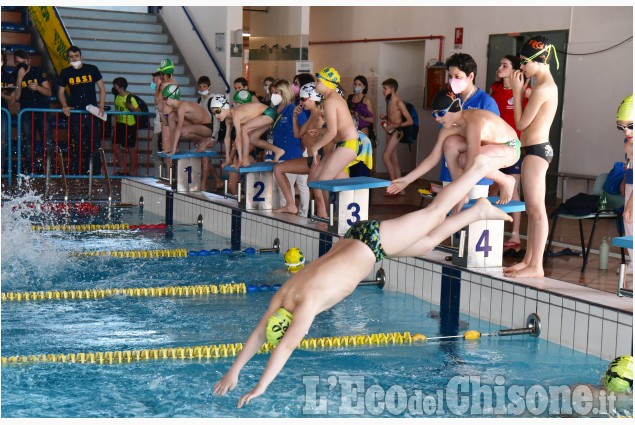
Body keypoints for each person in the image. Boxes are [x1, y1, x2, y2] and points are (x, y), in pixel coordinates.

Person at [213, 152, 513, 407]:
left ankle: (478, 168)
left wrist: (261, 386)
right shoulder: (283, 296)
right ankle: (478, 212)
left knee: (435, 213)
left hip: (373, 243)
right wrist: (234, 371)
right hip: (357, 236)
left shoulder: (306, 305)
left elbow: (284, 348)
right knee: (425, 244)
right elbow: (259, 334)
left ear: (289, 323)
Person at [387, 89, 519, 213]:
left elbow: (473, 161)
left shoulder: (473, 121)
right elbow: (433, 157)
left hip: (509, 148)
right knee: (450, 144)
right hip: (487, 152)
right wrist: (407, 180)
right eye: (435, 114)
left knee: (470, 159)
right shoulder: (447, 129)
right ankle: (460, 192)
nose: (437, 119)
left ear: (455, 108)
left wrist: (457, 192)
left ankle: (506, 180)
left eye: (441, 114)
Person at [504, 36, 559, 279]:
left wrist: (517, 93)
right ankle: (528, 261)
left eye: (525, 62)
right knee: (532, 209)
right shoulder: (541, 87)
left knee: (537, 210)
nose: (522, 67)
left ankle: (536, 266)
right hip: (534, 150)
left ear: (539, 60)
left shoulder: (544, 88)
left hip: (537, 150)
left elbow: (521, 123)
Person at [308, 67, 372, 218]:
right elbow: (336, 127)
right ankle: (349, 209)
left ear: (327, 83)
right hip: (346, 144)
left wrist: (316, 146)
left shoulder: (331, 101)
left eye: (318, 81)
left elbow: (332, 132)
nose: (316, 84)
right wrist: (319, 132)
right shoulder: (335, 98)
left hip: (349, 144)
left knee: (323, 180)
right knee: (329, 178)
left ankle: (331, 217)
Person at [440, 53, 500, 199]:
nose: (452, 81)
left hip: (476, 176)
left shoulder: (485, 102)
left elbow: (493, 141)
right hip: (449, 170)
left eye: (457, 77)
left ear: (471, 76)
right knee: (449, 216)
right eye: (450, 76)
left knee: (472, 217)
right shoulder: (449, 100)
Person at [489, 55, 527, 252]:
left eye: (504, 65)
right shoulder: (494, 89)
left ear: (514, 70)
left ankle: (515, 235)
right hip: (494, 145)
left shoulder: (523, 91)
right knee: (492, 188)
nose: (499, 67)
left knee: (512, 189)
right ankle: (491, 230)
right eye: (500, 63)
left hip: (514, 146)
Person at [273, 82, 326, 216]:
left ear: (313, 98)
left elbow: (336, 132)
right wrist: (295, 118)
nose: (300, 102)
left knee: (319, 197)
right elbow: (298, 134)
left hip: (320, 160)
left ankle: (323, 228)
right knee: (279, 169)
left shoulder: (322, 116)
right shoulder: (313, 116)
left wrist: (321, 132)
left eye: (303, 99)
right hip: (309, 160)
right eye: (300, 99)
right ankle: (291, 205)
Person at [57, 45, 106, 175]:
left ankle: (95, 174)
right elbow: (60, 92)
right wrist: (64, 105)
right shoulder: (65, 72)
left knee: (94, 144)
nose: (74, 58)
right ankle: (76, 174)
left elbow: (102, 88)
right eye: (71, 56)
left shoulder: (92, 69)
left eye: (76, 56)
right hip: (75, 113)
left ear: (81, 56)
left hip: (92, 113)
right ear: (68, 58)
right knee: (76, 145)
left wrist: (101, 105)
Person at [267, 79, 310, 216]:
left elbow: (304, 132)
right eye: (272, 92)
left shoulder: (292, 109)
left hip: (292, 154)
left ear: (284, 93)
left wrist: (302, 150)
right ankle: (284, 215)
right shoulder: (275, 110)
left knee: (288, 189)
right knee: (280, 189)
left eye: (277, 92)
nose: (274, 95)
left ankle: (297, 216)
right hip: (278, 154)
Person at [12, 49, 52, 174]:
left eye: (23, 62)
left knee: (47, 142)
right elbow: (16, 97)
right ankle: (31, 170)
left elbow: (49, 92)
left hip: (42, 112)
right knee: (28, 144)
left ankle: (49, 170)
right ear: (15, 63)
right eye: (18, 63)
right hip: (26, 113)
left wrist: (38, 87)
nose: (21, 65)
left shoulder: (38, 71)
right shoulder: (15, 74)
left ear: (29, 61)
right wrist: (19, 78)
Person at [232, 86, 285, 167]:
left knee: (244, 129)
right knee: (252, 139)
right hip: (267, 116)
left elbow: (240, 136)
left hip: (268, 113)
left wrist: (241, 157)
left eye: (236, 103)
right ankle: (277, 150)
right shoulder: (242, 111)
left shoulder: (241, 111)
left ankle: (245, 160)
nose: (235, 105)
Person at [160, 84, 213, 156]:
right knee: (171, 116)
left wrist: (173, 151)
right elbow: (167, 123)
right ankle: (174, 146)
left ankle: (204, 140)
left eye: (165, 99)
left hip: (206, 128)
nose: (164, 102)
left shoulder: (182, 107)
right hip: (197, 125)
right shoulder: (176, 108)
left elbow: (179, 128)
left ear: (171, 97)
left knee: (182, 132)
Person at [379, 78, 412, 188]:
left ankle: (394, 186)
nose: (382, 91)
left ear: (391, 89)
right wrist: (386, 117)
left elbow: (409, 121)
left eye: (384, 88)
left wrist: (395, 125)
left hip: (397, 132)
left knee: (385, 157)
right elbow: (394, 117)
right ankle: (400, 189)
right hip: (390, 131)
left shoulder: (399, 102)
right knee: (394, 160)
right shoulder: (388, 100)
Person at [196, 75, 223, 190]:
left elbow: (217, 120)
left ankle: (203, 184)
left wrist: (213, 137)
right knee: (204, 158)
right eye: (200, 87)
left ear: (209, 87)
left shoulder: (213, 100)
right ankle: (218, 181)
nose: (202, 89)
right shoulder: (199, 100)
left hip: (211, 133)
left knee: (205, 158)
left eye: (204, 86)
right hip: (202, 133)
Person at [616, 95, 633, 275]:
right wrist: (623, 180)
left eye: (631, 126)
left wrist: (629, 206)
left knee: (629, 218)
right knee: (628, 224)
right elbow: (629, 166)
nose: (626, 131)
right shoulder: (628, 142)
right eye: (621, 127)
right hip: (630, 183)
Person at [111, 77, 140, 176]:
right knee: (114, 146)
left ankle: (132, 171)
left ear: (122, 88)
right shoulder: (116, 97)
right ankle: (122, 168)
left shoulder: (130, 98)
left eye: (116, 86)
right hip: (119, 124)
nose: (114, 88)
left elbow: (139, 112)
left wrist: (130, 107)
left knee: (131, 149)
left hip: (129, 125)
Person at [348, 75, 375, 177]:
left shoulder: (366, 100)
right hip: (351, 128)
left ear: (364, 86)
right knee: (351, 153)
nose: (357, 86)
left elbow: (372, 119)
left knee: (361, 154)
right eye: (355, 84)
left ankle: (362, 177)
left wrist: (360, 116)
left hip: (362, 129)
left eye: (359, 84)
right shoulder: (350, 98)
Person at [1, 50, 15, 167]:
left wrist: (2, 95)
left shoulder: (7, 76)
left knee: (2, 141)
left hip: (3, 111)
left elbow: (11, 98)